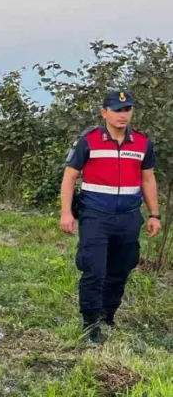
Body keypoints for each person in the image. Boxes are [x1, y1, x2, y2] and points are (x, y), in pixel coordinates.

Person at [59, 89, 160, 343]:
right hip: (95, 215)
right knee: (94, 269)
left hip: (128, 216)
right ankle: (90, 323)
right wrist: (66, 213)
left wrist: (154, 214)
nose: (122, 115)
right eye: (116, 110)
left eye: (127, 110)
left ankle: (107, 314)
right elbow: (70, 177)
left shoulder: (142, 143)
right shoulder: (89, 141)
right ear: (104, 112)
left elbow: (147, 179)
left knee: (121, 267)